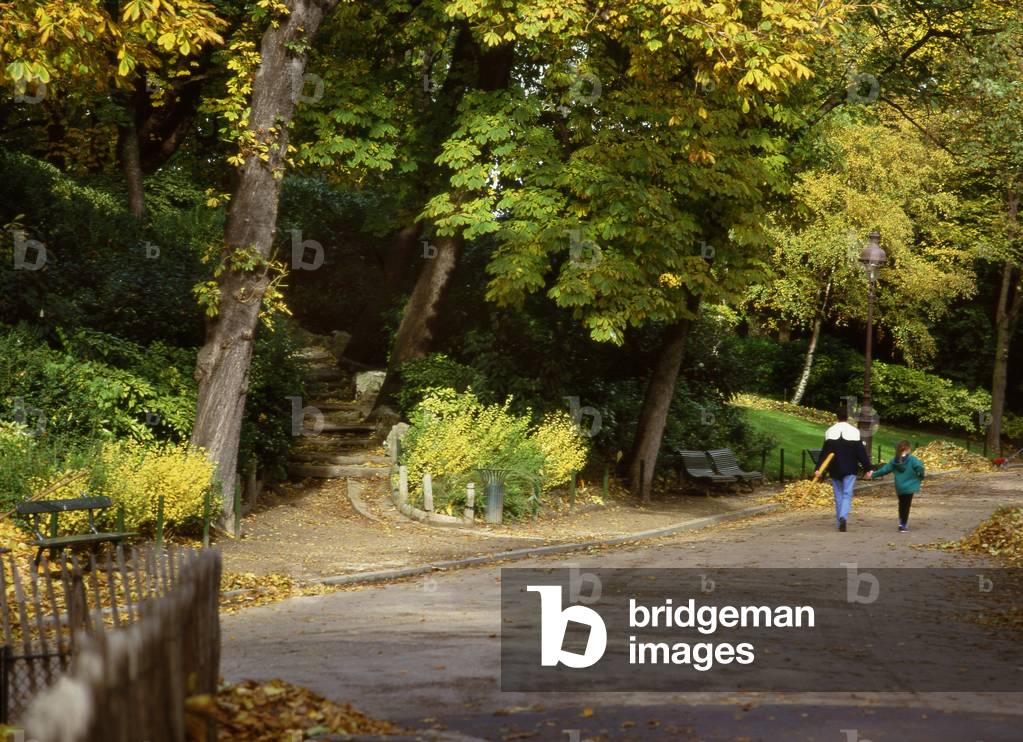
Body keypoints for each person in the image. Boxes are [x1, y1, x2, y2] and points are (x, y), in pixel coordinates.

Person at [816, 405, 873, 532]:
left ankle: (839, 522)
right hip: (850, 468)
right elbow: (861, 453)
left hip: (835, 468)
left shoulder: (830, 431)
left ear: (837, 416)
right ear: (848, 417)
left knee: (838, 495)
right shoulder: (854, 432)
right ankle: (843, 516)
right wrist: (868, 468)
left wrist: (818, 468)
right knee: (847, 494)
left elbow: (824, 453)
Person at [868, 440, 925, 532]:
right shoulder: (912, 459)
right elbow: (920, 467)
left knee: (901, 504)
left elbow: (884, 470)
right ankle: (903, 525)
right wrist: (920, 476)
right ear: (908, 449)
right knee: (906, 506)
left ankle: (901, 522)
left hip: (899, 486)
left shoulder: (894, 461)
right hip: (909, 487)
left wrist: (873, 474)